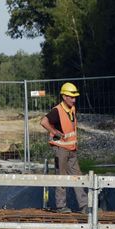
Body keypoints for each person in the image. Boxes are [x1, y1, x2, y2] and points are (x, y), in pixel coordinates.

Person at [40, 82, 86, 213]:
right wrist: (54, 132)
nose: (74, 99)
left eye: (75, 97)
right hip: (61, 149)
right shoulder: (57, 111)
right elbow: (43, 121)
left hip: (71, 149)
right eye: (71, 97)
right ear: (64, 97)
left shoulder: (72, 109)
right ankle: (61, 206)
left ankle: (84, 206)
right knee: (61, 176)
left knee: (78, 177)